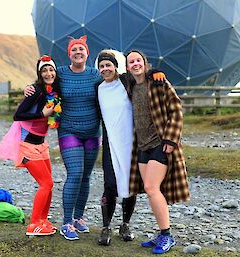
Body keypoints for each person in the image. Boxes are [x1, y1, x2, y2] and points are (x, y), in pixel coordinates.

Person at [25, 35, 101, 241]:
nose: (78, 52)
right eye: (74, 49)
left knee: (86, 176)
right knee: (75, 174)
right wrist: (30, 88)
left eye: (81, 49)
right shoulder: (61, 74)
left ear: (87, 53)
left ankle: (79, 218)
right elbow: (44, 82)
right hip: (69, 131)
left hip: (93, 133)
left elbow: (115, 84)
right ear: (69, 54)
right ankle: (66, 222)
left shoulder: (96, 75)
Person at [125, 50, 190, 254]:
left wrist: (171, 138)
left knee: (152, 188)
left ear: (145, 63)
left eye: (138, 60)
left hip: (160, 144)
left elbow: (176, 108)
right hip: (142, 146)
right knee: (152, 190)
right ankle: (162, 233)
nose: (135, 64)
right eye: (131, 62)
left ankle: (167, 236)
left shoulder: (158, 82)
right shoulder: (130, 86)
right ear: (127, 67)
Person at [0, 55, 62, 236]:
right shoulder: (37, 91)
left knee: (50, 184)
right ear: (39, 74)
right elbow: (18, 115)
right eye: (44, 70)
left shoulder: (54, 90)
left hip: (42, 144)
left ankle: (43, 220)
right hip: (28, 145)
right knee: (45, 184)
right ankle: (33, 225)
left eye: (51, 70)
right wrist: (42, 113)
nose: (48, 73)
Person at [96, 51, 136, 246]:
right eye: (101, 66)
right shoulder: (98, 88)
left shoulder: (127, 81)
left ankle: (125, 224)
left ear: (115, 66)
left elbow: (144, 73)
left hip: (131, 143)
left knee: (131, 184)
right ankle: (106, 227)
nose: (105, 69)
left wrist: (158, 73)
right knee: (110, 184)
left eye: (108, 65)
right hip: (110, 144)